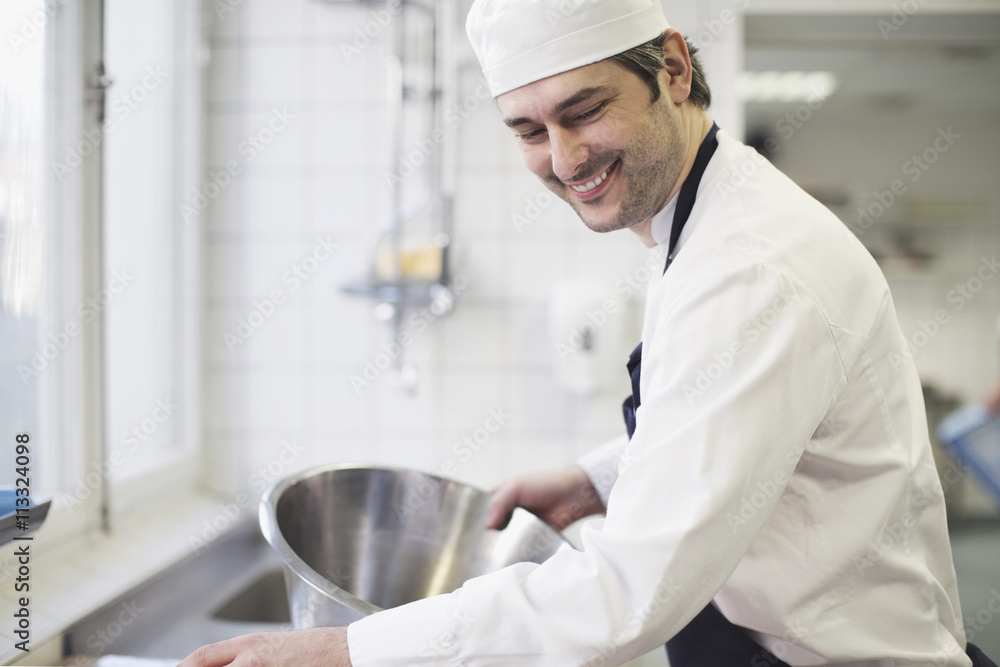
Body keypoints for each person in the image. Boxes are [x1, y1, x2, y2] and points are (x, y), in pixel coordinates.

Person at [180, 1, 994, 665]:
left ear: (673, 69)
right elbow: (737, 417)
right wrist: (598, 478)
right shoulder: (708, 215)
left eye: (584, 110)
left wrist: (347, 650)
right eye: (529, 132)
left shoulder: (749, 266)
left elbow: (628, 592)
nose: (565, 158)